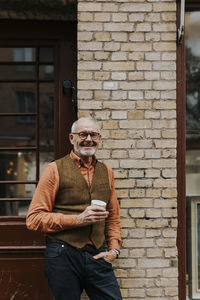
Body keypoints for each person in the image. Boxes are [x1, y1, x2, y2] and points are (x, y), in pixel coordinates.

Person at [26, 117, 122, 300]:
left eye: (93, 134)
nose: (88, 139)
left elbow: (113, 217)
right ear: (72, 138)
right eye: (82, 134)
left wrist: (114, 250)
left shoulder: (106, 171)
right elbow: (34, 219)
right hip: (63, 254)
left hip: (98, 254)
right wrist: (77, 220)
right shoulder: (54, 169)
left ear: (99, 138)